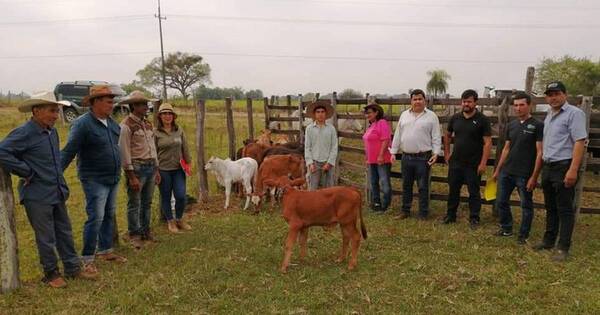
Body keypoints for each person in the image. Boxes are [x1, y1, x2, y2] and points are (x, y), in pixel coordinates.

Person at [0, 91, 97, 288]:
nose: (56, 115)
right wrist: (26, 171)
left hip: (56, 190)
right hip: (37, 194)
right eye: (52, 111)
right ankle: (51, 274)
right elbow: (2, 151)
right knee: (46, 237)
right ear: (36, 111)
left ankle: (72, 268)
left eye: (57, 111)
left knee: (64, 231)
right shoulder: (25, 132)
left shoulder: (51, 132)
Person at [62, 85, 127, 273]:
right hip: (94, 178)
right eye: (108, 101)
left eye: (112, 101)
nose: (111, 104)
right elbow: (69, 150)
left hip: (113, 177)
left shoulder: (113, 123)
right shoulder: (82, 124)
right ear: (95, 102)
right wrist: (54, 173)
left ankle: (106, 250)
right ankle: (87, 258)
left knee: (108, 214)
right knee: (96, 217)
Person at [534, 81, 587, 261]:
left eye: (556, 93)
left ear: (565, 94)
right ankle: (548, 240)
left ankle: (563, 247)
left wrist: (573, 170)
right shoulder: (550, 114)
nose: (553, 97)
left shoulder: (575, 114)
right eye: (550, 94)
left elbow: (579, 142)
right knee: (550, 206)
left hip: (564, 165)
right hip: (548, 165)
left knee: (564, 208)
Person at [492, 92, 543, 244]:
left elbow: (540, 152)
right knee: (501, 201)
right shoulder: (511, 125)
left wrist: (534, 176)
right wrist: (498, 170)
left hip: (524, 173)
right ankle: (506, 228)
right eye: (516, 105)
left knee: (526, 205)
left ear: (529, 105)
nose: (518, 108)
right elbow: (506, 149)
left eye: (522, 105)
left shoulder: (538, 125)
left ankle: (523, 234)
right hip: (507, 171)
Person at [390, 89, 441, 220]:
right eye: (415, 99)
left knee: (423, 186)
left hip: (423, 157)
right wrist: (393, 152)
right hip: (406, 157)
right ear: (411, 101)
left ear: (425, 101)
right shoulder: (404, 115)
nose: (417, 101)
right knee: (406, 185)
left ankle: (423, 213)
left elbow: (436, 136)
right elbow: (398, 134)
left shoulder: (432, 116)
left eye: (420, 99)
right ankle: (405, 211)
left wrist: (436, 153)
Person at [444, 89, 492, 229]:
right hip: (456, 161)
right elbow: (447, 135)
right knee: (453, 189)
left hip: (473, 163)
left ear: (475, 103)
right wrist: (447, 153)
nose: (466, 104)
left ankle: (474, 217)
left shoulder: (482, 120)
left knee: (474, 191)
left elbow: (488, 142)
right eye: (464, 101)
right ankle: (450, 215)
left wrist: (483, 163)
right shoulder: (455, 118)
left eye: (469, 102)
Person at [118, 91, 160, 248]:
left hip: (149, 166)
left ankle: (145, 230)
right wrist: (131, 175)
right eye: (142, 104)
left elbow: (153, 148)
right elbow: (124, 151)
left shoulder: (148, 124)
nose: (146, 107)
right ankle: (134, 233)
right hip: (136, 167)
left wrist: (156, 168)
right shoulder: (126, 126)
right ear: (134, 106)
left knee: (147, 202)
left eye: (146, 104)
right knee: (134, 202)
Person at [154, 103, 192, 233]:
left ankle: (179, 218)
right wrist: (155, 170)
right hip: (163, 170)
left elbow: (185, 148)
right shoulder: (155, 132)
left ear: (173, 116)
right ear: (160, 116)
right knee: (165, 196)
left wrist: (188, 163)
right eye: (164, 113)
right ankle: (170, 221)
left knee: (181, 195)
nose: (167, 116)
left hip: (178, 169)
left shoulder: (179, 130)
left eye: (169, 113)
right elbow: (153, 152)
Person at [362, 103, 392, 213]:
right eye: (366, 113)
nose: (367, 115)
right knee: (374, 182)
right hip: (371, 160)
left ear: (376, 112)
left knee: (384, 182)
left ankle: (386, 205)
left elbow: (385, 139)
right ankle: (376, 203)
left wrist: (380, 155)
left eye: (369, 113)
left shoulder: (382, 123)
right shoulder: (371, 125)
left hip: (381, 159)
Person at [304, 100, 338, 190]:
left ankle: (328, 204)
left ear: (326, 114)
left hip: (327, 163)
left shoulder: (331, 129)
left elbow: (334, 147)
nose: (320, 114)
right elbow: (307, 147)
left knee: (328, 189)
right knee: (313, 189)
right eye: (318, 112)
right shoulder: (309, 129)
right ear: (314, 114)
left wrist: (329, 163)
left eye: (322, 112)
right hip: (314, 163)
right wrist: (310, 163)